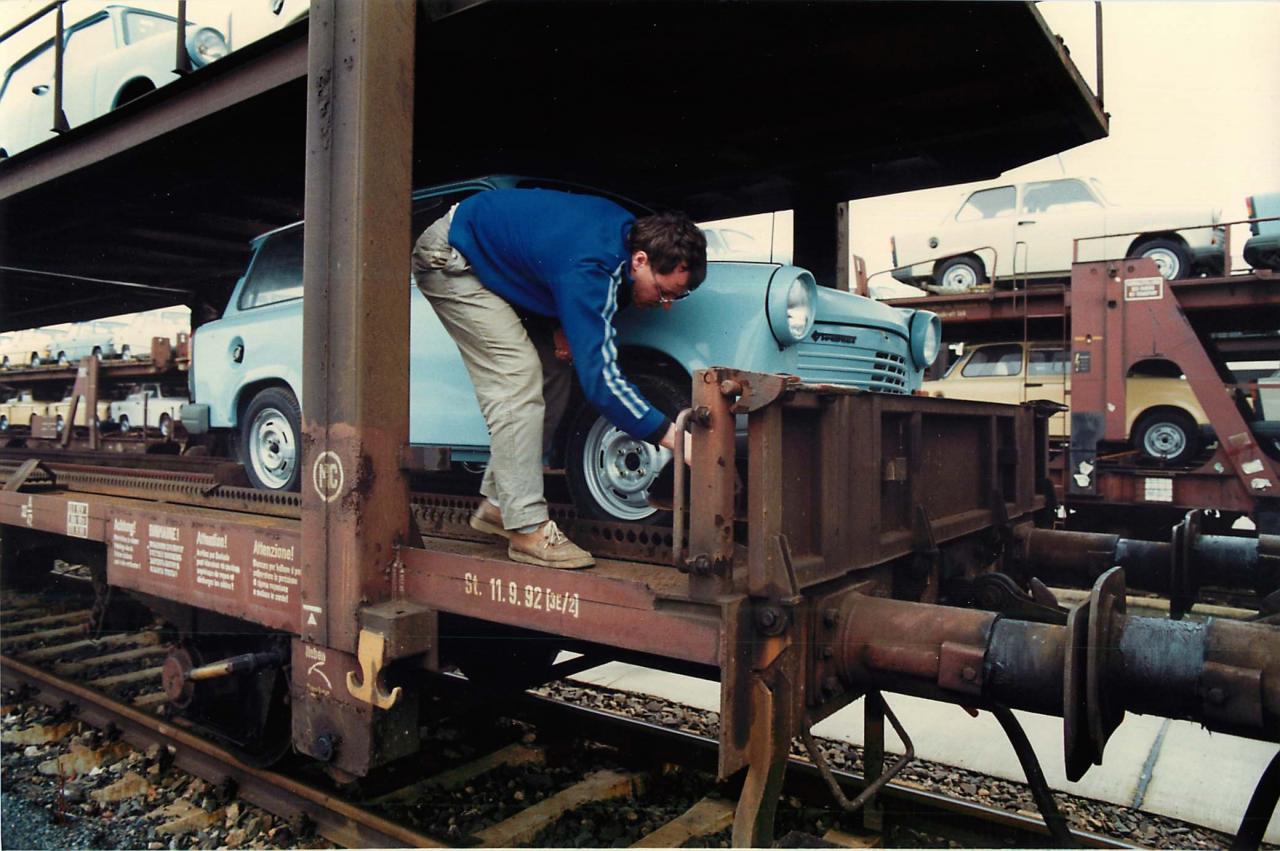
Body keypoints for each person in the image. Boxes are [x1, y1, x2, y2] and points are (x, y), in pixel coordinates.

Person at [412, 188, 707, 569]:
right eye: (665, 292)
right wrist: (673, 438)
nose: (665, 305)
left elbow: (543, 264)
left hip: (489, 258)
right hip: (451, 259)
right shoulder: (593, 268)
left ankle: (501, 506)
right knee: (516, 376)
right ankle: (526, 528)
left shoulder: (620, 245)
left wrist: (559, 321)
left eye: (675, 299)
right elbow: (601, 380)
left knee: (553, 372)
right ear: (640, 259)